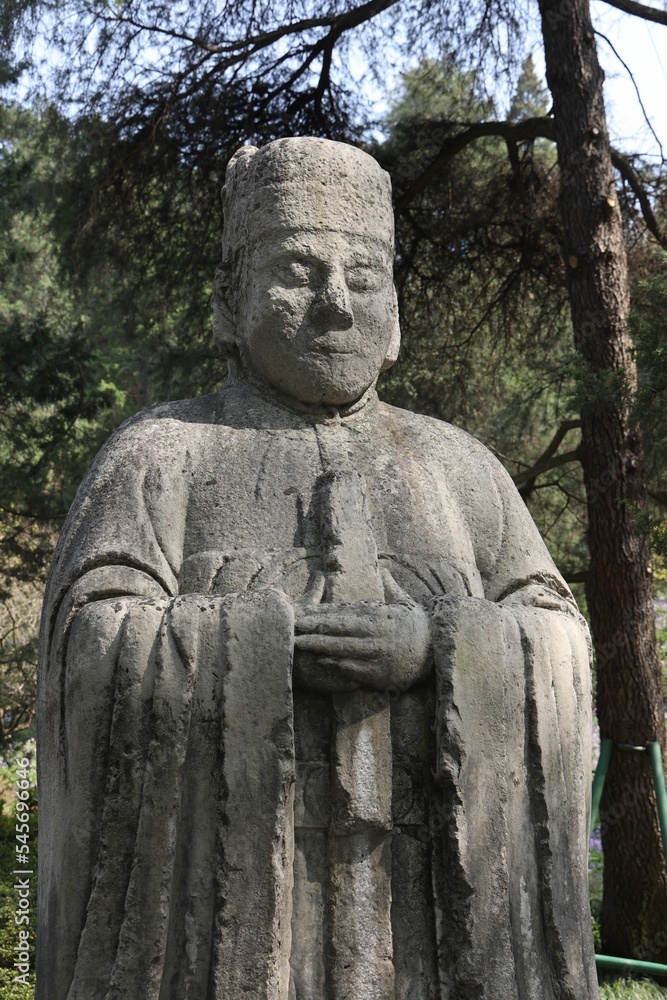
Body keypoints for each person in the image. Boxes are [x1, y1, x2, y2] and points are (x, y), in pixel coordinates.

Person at [37, 137, 598, 1000]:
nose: (335, 304)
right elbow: (91, 645)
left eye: (365, 278)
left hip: (430, 920)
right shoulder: (161, 457)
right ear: (228, 301)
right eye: (297, 270)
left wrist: (441, 645)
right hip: (236, 930)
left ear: (396, 315)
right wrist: (261, 647)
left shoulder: (459, 468)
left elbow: (556, 639)